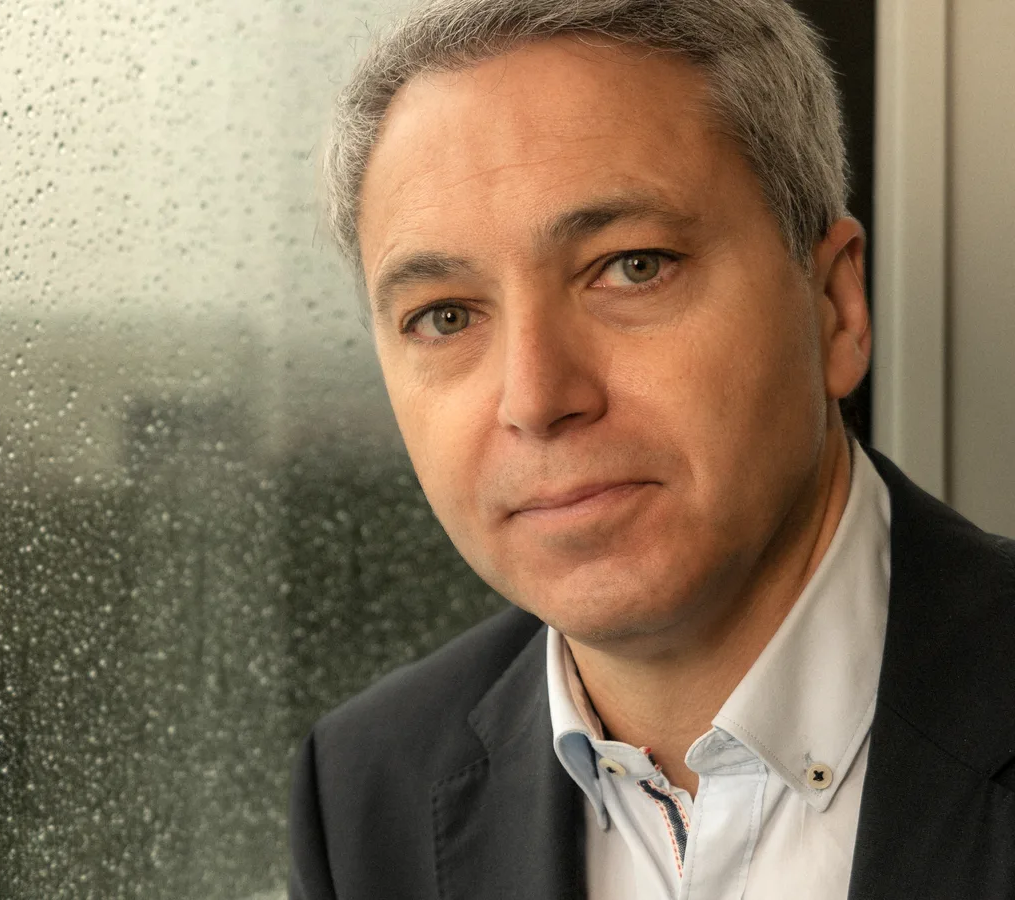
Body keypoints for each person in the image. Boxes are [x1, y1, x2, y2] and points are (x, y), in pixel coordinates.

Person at [288, 1, 1015, 897]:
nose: (536, 399)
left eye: (632, 266)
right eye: (445, 316)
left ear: (834, 307)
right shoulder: (366, 792)